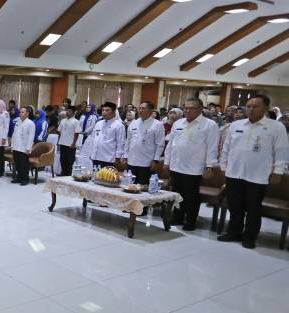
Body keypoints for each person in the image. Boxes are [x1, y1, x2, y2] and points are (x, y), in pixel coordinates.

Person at [218, 95, 288, 249]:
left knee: (253, 208)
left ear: (266, 108)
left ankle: (249, 237)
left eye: (255, 106)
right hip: (234, 172)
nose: (250, 109)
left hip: (258, 175)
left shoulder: (276, 127)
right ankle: (233, 232)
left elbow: (282, 151)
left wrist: (277, 171)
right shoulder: (236, 125)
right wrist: (223, 166)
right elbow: (226, 148)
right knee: (235, 206)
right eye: (248, 106)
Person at [163, 97, 219, 231]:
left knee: (191, 197)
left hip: (194, 168)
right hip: (176, 165)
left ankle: (190, 221)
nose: (188, 111)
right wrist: (166, 162)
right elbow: (171, 145)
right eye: (186, 108)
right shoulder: (178, 123)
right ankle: (177, 217)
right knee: (177, 194)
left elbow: (212, 147)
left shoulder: (209, 125)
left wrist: (210, 166)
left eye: (192, 108)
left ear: (200, 109)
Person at [122, 101, 165, 185]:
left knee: (143, 186)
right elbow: (128, 141)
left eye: (144, 108)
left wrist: (155, 160)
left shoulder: (157, 124)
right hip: (131, 160)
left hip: (146, 162)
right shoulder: (134, 123)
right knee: (130, 185)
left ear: (151, 110)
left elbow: (160, 144)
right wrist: (125, 156)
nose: (141, 110)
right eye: (140, 108)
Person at [90, 102, 126, 168]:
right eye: (103, 110)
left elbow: (120, 143)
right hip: (96, 157)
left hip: (109, 159)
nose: (104, 112)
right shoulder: (98, 123)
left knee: (107, 175)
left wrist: (118, 158)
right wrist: (91, 154)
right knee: (96, 174)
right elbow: (93, 139)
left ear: (114, 112)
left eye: (107, 110)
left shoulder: (119, 125)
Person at [11, 106, 35, 185]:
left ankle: (25, 179)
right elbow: (14, 134)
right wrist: (12, 145)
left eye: (22, 112)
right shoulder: (18, 122)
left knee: (24, 164)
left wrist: (28, 148)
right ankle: (19, 177)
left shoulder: (30, 123)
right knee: (17, 163)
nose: (20, 114)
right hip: (16, 146)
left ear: (27, 113)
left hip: (24, 148)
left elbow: (31, 137)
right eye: (20, 112)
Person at [57, 105, 80, 176]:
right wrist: (61, 139)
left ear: (73, 113)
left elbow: (77, 133)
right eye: (67, 110)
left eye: (69, 111)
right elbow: (59, 131)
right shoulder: (63, 120)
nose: (67, 112)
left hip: (70, 144)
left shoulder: (76, 121)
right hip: (62, 142)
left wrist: (74, 143)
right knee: (62, 159)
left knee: (70, 160)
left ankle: (69, 174)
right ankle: (63, 172)